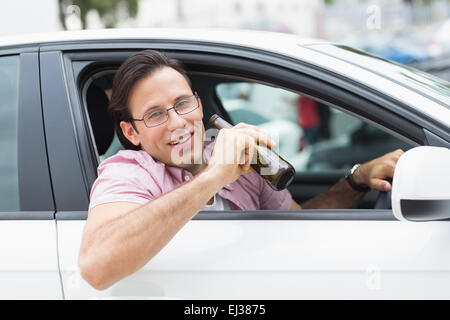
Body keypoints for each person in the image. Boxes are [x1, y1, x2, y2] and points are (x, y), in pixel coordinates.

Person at [78, 50, 404, 290]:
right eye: (155, 115)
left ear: (198, 104)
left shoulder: (237, 159)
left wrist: (355, 181)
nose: (178, 122)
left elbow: (297, 222)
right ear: (131, 132)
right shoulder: (127, 172)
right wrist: (215, 175)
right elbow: (97, 266)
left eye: (182, 104)